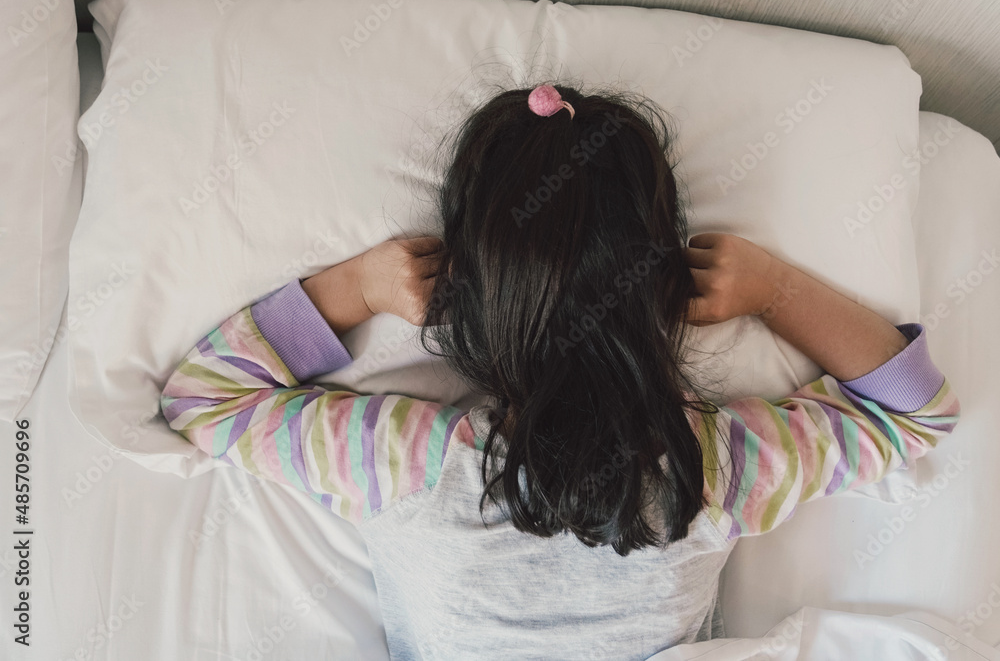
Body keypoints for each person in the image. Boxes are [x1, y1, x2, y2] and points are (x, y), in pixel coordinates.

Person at [160, 83, 960, 659]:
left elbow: (203, 397)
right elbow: (913, 411)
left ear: (460, 299)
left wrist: (355, 288)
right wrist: (777, 290)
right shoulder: (710, 471)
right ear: (666, 291)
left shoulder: (402, 460)